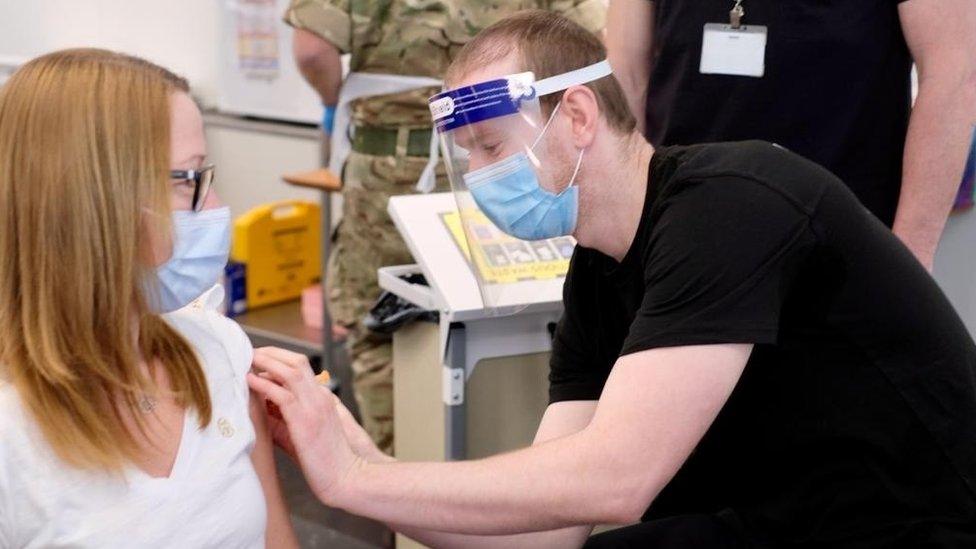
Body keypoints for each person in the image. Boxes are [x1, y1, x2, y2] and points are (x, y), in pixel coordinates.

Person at [248, 11, 976, 548]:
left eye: (493, 145)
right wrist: (368, 465)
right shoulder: (597, 274)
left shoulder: (730, 203)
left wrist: (356, 480)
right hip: (781, 513)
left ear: (579, 114)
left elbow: (617, 478)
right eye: (468, 155)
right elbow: (545, 535)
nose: (480, 177)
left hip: (910, 523)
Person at [0, 49, 298, 548]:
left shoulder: (218, 349)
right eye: (189, 180)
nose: (218, 209)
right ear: (93, 200)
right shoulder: (13, 427)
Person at [283, 0, 606, 454]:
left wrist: (336, 100)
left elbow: (313, 49)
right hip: (510, 157)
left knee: (381, 319)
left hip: (389, 168)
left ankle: (397, 478)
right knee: (518, 316)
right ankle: (517, 462)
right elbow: (595, 39)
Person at [606, 0, 976, 272]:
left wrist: (910, 258)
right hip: (687, 235)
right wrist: (632, 234)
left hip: (844, 241)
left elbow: (953, 77)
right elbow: (626, 75)